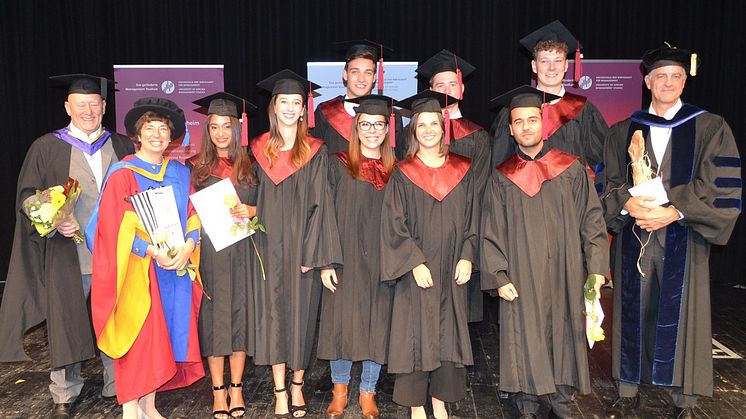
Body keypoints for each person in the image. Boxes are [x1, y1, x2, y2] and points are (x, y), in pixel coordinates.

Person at [602, 45, 741, 419]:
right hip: (636, 235)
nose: (667, 82)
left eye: (675, 76)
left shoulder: (710, 127)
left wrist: (674, 211)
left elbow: (719, 187)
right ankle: (628, 387)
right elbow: (607, 183)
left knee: (684, 315)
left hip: (685, 234)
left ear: (684, 80)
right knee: (633, 308)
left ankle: (684, 398)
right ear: (647, 81)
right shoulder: (622, 130)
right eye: (660, 76)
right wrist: (626, 204)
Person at [0, 74, 133, 418]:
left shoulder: (121, 144)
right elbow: (27, 195)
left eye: (94, 104)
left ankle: (116, 384)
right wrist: (54, 217)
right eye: (81, 104)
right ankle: (64, 390)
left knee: (115, 318)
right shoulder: (46, 146)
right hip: (67, 252)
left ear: (104, 106)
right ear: (67, 107)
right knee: (64, 318)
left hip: (114, 251)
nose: (89, 110)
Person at [481, 85, 609, 419]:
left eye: (532, 120)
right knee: (523, 332)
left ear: (544, 124)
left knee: (564, 332)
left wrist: (596, 267)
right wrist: (498, 275)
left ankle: (561, 400)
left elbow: (592, 220)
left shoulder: (570, 168)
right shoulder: (502, 178)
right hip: (521, 273)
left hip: (565, 270)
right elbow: (490, 230)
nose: (526, 127)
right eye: (518, 122)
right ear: (510, 129)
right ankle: (526, 403)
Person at [86, 97, 204, 419]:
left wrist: (189, 246)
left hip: (172, 270)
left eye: (163, 129)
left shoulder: (180, 173)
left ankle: (149, 406)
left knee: (161, 338)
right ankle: (130, 410)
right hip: (137, 271)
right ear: (138, 134)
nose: (156, 134)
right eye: (149, 128)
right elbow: (111, 227)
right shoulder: (122, 173)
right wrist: (148, 250)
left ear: (171, 137)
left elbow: (193, 215)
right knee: (137, 337)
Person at [381, 90, 477, 419]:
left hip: (451, 266)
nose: (428, 130)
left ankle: (440, 398)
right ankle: (415, 403)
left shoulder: (464, 169)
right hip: (417, 270)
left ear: (443, 127)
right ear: (413, 131)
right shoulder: (404, 173)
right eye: (421, 125)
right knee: (414, 334)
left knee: (448, 334)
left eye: (433, 124)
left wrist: (467, 254)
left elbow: (473, 217)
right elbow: (394, 224)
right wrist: (414, 261)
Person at [252, 69, 343, 418]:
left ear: (305, 109)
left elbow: (323, 204)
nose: (290, 109)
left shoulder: (316, 152)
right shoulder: (259, 148)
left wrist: (314, 255)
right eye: (283, 102)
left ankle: (298, 386)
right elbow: (250, 196)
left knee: (302, 320)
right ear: (274, 107)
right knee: (274, 318)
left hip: (303, 252)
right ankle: (278, 390)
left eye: (296, 103)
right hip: (267, 249)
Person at [317, 95, 397, 419]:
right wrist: (326, 261)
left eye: (378, 124)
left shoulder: (397, 170)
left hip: (382, 259)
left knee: (376, 324)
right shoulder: (337, 163)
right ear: (356, 127)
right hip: (344, 257)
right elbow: (324, 215)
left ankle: (367, 391)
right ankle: (339, 391)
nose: (372, 130)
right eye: (365, 124)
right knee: (341, 325)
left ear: (387, 129)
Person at [190, 92, 260, 418]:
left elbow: (268, 209)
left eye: (226, 126)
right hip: (212, 257)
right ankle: (218, 391)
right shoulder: (195, 168)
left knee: (240, 320)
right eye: (214, 126)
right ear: (208, 130)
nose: (220, 133)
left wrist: (253, 209)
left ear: (237, 128)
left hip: (245, 253)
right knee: (216, 322)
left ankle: (237, 388)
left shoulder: (253, 166)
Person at [416, 49, 491, 323]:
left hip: (463, 234)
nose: (446, 90)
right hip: (422, 235)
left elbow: (480, 190)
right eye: (439, 85)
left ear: (462, 88)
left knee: (459, 315)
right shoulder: (413, 134)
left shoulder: (478, 136)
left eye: (451, 84)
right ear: (430, 90)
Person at [490, 20, 608, 188]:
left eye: (558, 61)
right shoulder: (514, 110)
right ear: (534, 66)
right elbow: (499, 164)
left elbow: (602, 163)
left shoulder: (583, 110)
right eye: (544, 61)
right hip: (523, 201)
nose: (552, 68)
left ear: (566, 65)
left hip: (571, 202)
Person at [312, 40, 407, 160]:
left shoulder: (391, 115)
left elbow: (397, 158)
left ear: (374, 77)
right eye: (355, 72)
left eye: (368, 73)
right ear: (345, 74)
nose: (361, 79)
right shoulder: (325, 112)